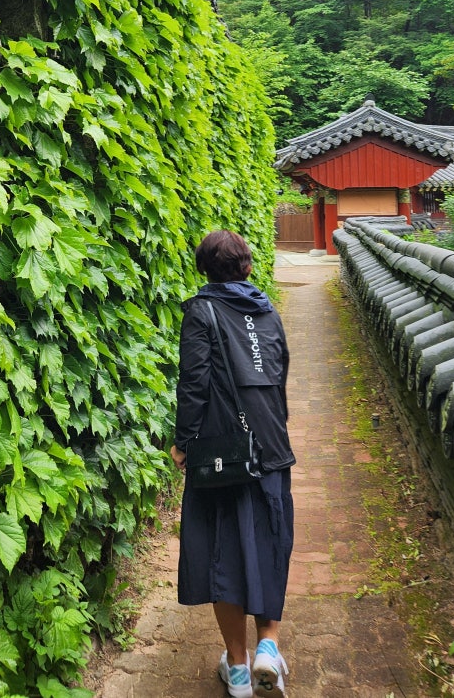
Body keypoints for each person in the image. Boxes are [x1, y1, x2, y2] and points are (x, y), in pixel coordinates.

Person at [170, 230, 296, 698]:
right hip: (272, 445)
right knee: (271, 541)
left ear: (204, 270)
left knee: (223, 555)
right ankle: (269, 646)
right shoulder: (268, 311)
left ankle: (239, 670)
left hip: (222, 452)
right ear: (248, 267)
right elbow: (279, 375)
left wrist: (184, 442)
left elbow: (194, 383)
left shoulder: (201, 311)